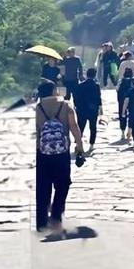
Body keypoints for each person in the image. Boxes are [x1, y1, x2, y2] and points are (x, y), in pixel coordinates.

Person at [34, 79, 84, 231]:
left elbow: (38, 130)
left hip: (43, 152)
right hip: (62, 151)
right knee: (63, 184)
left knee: (43, 187)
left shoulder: (38, 108)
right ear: (54, 90)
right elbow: (74, 126)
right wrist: (79, 146)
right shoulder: (66, 105)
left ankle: (41, 222)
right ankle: (56, 215)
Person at [74, 65, 103, 149]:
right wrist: (100, 108)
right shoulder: (96, 86)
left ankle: (78, 144)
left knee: (80, 127)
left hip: (81, 109)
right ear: (94, 75)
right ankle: (91, 144)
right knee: (93, 127)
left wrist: (76, 106)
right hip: (93, 109)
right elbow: (98, 97)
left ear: (86, 75)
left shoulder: (80, 85)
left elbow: (76, 97)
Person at [116, 65, 134, 142]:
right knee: (131, 116)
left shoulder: (121, 81)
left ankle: (122, 132)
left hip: (121, 100)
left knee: (122, 115)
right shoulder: (133, 81)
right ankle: (130, 131)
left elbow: (117, 89)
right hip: (132, 101)